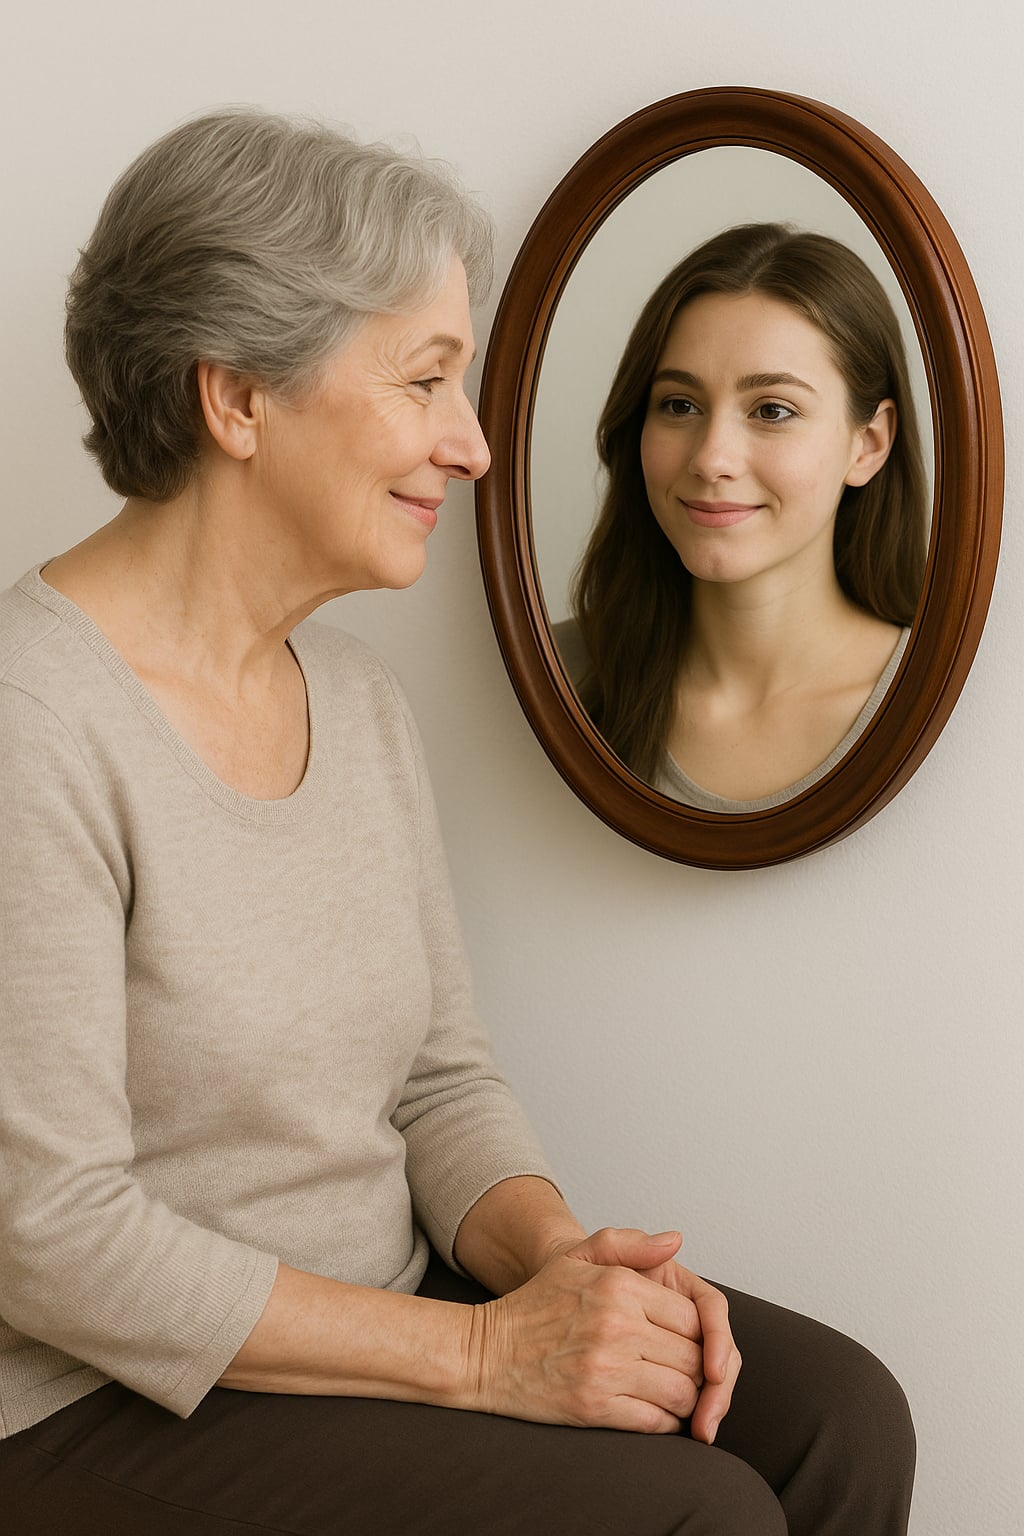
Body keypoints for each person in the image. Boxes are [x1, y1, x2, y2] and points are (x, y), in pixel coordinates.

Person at [0, 111, 915, 1534]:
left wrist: (559, 1270)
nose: (475, 446)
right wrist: (487, 1355)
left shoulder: (356, 700)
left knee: (838, 1421)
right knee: (698, 1515)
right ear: (236, 400)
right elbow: (50, 1240)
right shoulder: (33, 721)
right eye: (428, 379)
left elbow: (436, 1083)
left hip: (374, 1310)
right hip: (95, 1402)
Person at [566, 223, 929, 809]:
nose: (711, 459)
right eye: (679, 404)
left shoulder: (954, 708)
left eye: (772, 410)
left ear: (868, 445)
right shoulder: (553, 676)